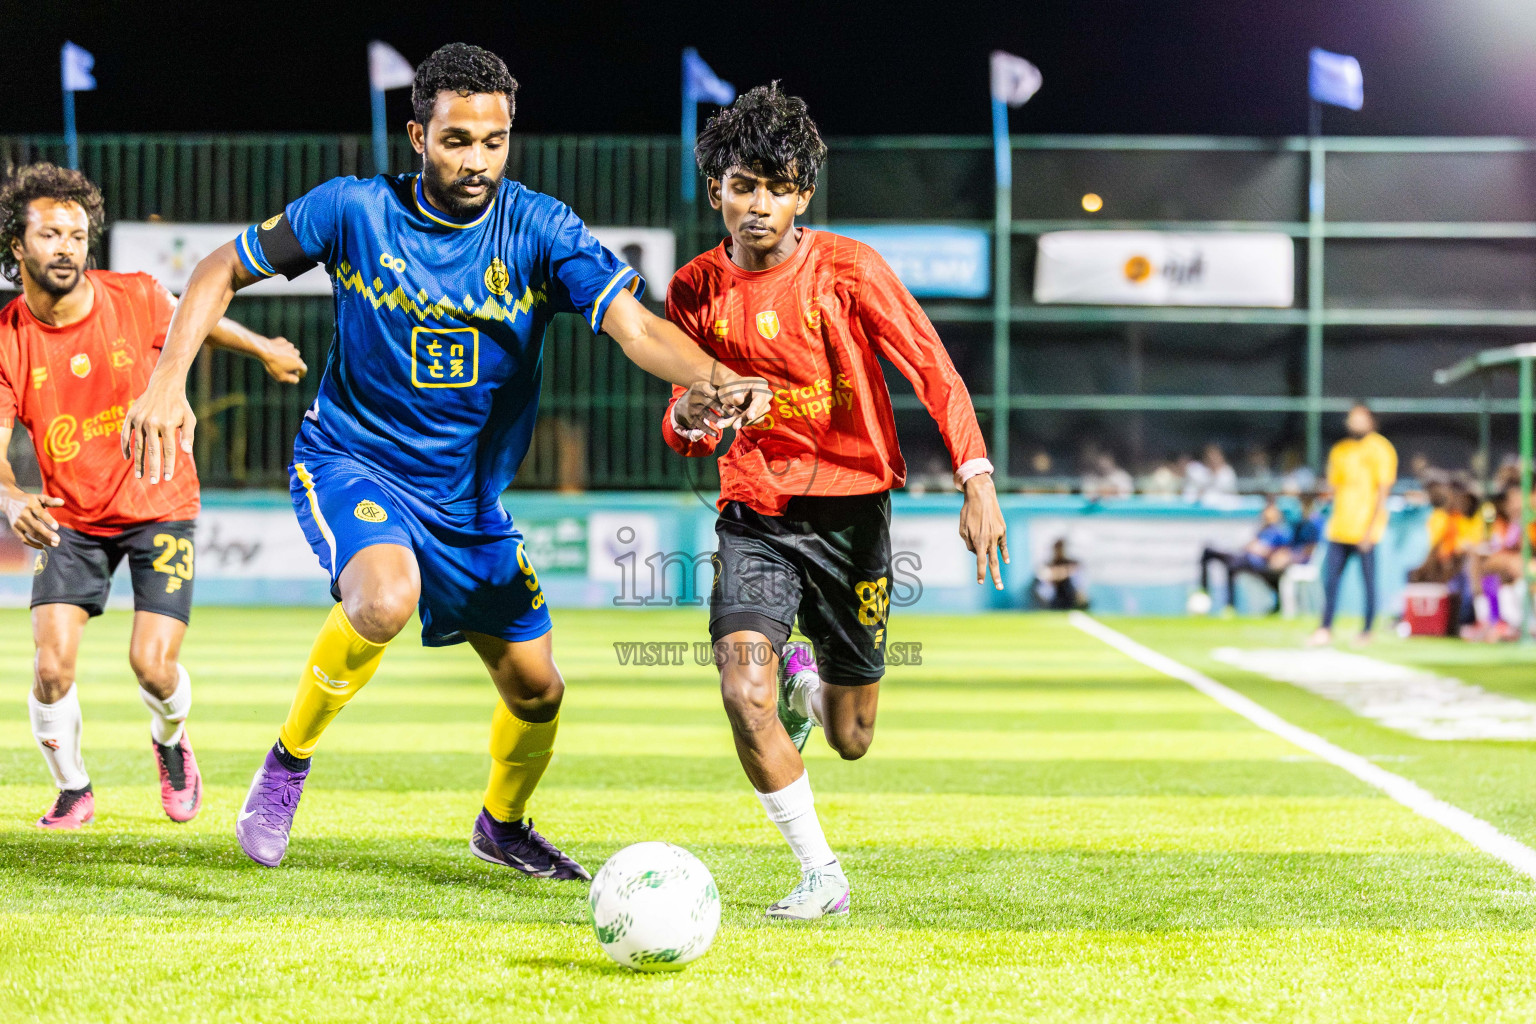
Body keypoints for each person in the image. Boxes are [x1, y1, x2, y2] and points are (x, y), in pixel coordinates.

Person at [122, 44, 771, 874]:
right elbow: (218, 269)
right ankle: (287, 763)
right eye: (457, 139)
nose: (477, 160)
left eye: (493, 141)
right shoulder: (351, 210)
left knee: (540, 691)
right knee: (386, 597)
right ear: (416, 135)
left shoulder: (540, 228)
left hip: (467, 506)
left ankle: (502, 825)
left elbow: (637, 329)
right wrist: (168, 379)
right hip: (354, 461)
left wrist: (722, 378)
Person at [661, 85, 1007, 919]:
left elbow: (934, 369)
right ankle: (822, 873)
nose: (760, 205)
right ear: (717, 190)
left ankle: (810, 687)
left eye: (779, 187)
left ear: (803, 195)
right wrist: (695, 415)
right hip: (757, 517)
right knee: (742, 691)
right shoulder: (693, 292)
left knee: (852, 738)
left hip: (853, 521)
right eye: (744, 185)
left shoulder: (849, 270)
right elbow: (681, 428)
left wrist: (977, 477)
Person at [0, 163, 305, 829]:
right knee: (50, 669)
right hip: (70, 518)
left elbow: (200, 321)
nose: (67, 248)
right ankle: (73, 788)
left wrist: (263, 349)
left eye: (78, 235)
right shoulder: (9, 341)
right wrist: (10, 496)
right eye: (50, 234)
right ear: (18, 247)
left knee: (153, 665)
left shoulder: (135, 295)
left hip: (159, 502)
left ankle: (170, 743)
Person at [1310, 403, 1397, 646]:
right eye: (1352, 418)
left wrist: (1371, 529)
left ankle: (1367, 630)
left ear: (1371, 420)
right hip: (1340, 527)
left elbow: (1382, 491)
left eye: (1360, 418)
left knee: (1369, 581)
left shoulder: (1381, 448)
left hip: (1366, 529)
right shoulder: (1340, 450)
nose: (1355, 422)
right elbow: (1333, 488)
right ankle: (1325, 628)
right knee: (1331, 581)